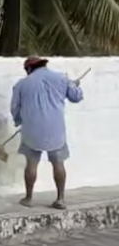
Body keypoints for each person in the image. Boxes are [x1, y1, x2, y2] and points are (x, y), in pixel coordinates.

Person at [11, 56, 84, 209]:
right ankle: (60, 199)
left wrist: (19, 121)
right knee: (58, 163)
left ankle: (29, 198)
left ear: (29, 69)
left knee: (31, 163)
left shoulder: (21, 85)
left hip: (31, 129)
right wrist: (74, 86)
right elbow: (76, 97)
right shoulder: (61, 79)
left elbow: (15, 109)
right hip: (55, 129)